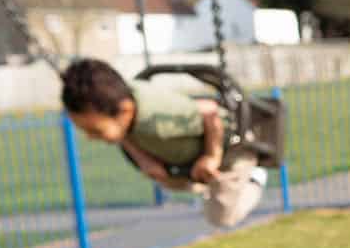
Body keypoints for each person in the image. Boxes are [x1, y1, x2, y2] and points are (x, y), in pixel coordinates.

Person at [60, 58, 267, 229]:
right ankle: (205, 186)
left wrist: (211, 156)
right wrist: (144, 160)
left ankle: (255, 178)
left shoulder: (159, 117)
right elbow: (123, 134)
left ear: (124, 111)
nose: (89, 137)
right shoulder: (117, 100)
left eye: (95, 131)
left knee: (222, 217)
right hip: (186, 155)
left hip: (232, 149)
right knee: (170, 180)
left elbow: (209, 112)